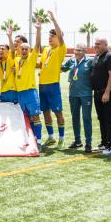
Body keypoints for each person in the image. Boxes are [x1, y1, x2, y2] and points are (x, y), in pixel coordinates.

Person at [38, 11, 67, 149]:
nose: (50, 38)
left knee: (58, 112)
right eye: (49, 36)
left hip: (53, 86)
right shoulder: (46, 50)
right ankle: (51, 137)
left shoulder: (61, 49)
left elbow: (60, 35)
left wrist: (54, 19)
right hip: (42, 85)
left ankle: (62, 138)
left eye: (53, 36)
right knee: (45, 112)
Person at [15, 20, 43, 150]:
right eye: (22, 49)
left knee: (35, 116)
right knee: (25, 118)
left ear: (29, 50)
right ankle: (29, 139)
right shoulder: (18, 60)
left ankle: (38, 141)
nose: (24, 50)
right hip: (20, 93)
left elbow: (37, 45)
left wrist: (38, 30)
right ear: (19, 50)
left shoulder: (32, 58)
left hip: (30, 92)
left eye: (26, 49)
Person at [61, 44, 93, 153]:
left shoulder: (90, 61)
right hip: (73, 94)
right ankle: (77, 141)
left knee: (86, 118)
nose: (77, 52)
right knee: (75, 117)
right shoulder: (71, 61)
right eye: (76, 50)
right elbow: (62, 69)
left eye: (80, 50)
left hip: (86, 94)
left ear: (85, 51)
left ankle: (88, 143)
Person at [91, 38, 111, 155]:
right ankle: (104, 143)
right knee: (101, 119)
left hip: (107, 94)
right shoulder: (96, 56)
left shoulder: (109, 56)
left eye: (98, 44)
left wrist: (107, 92)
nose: (95, 46)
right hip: (96, 93)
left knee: (109, 119)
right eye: (95, 44)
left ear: (105, 45)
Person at [0, 26, 17, 104]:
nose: (0, 50)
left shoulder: (10, 59)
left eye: (3, 49)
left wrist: (9, 36)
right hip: (2, 91)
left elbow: (13, 51)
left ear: (7, 51)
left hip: (12, 90)